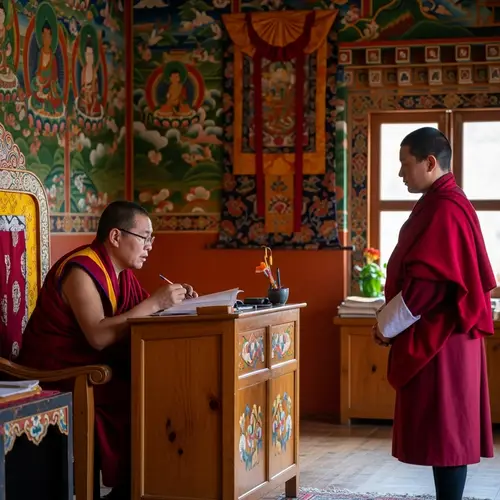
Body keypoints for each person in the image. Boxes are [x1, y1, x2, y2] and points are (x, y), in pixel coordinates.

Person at [19, 200, 197, 500]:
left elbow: (143, 319)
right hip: (57, 374)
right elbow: (99, 336)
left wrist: (179, 303)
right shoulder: (81, 270)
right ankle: (132, 489)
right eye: (144, 237)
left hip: (93, 369)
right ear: (116, 237)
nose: (150, 246)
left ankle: (144, 487)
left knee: (166, 389)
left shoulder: (120, 273)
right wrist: (155, 303)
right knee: (148, 398)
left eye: (151, 239)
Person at [372, 127, 495, 500]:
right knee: (446, 433)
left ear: (429, 162)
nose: (399, 173)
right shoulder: (442, 201)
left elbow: (426, 286)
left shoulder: (444, 208)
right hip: (448, 335)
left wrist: (385, 327)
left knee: (448, 435)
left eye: (404, 164)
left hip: (445, 337)